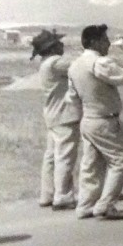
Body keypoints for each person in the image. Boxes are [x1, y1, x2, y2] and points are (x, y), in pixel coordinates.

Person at [67, 24, 123, 220]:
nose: (108, 42)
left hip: (88, 119)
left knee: (91, 165)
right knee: (120, 162)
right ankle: (105, 204)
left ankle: (85, 205)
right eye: (104, 39)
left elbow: (72, 98)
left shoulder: (75, 66)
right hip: (106, 120)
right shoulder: (100, 63)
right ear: (94, 42)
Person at [33, 29, 82, 211]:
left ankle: (47, 194)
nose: (62, 45)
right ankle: (63, 196)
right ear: (52, 47)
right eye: (59, 43)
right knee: (65, 157)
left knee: (51, 156)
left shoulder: (46, 64)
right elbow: (80, 65)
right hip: (64, 115)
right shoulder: (56, 63)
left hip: (53, 115)